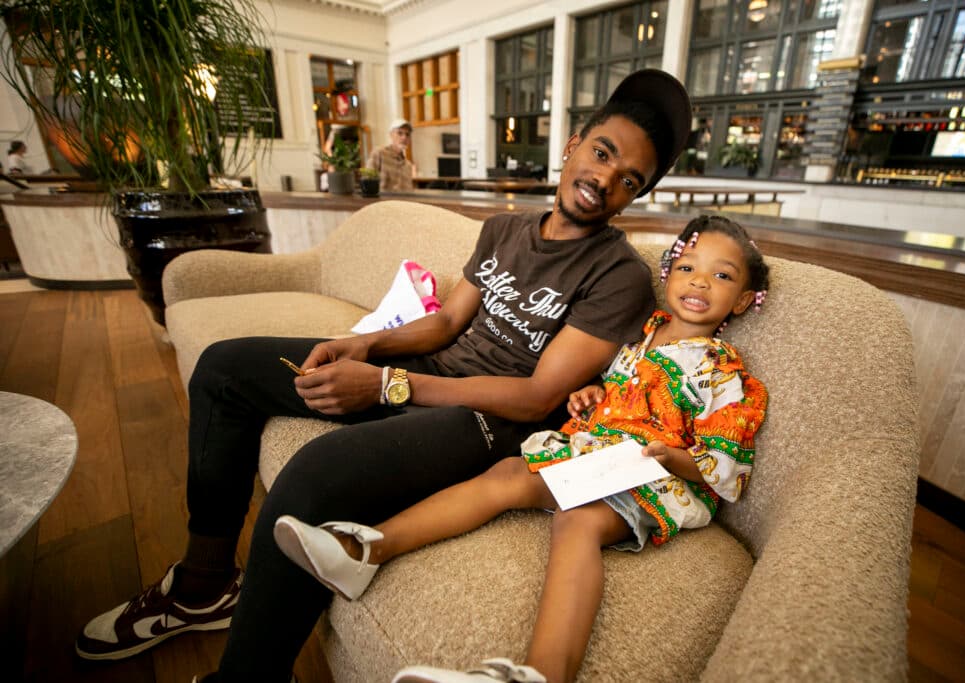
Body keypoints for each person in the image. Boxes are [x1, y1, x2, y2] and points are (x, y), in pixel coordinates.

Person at [74, 68, 691, 681]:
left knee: (313, 477)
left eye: (628, 179)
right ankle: (204, 584)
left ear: (633, 195)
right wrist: (364, 346)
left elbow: (536, 398)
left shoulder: (619, 276)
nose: (605, 179)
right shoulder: (504, 229)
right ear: (572, 146)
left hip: (483, 422)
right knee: (223, 369)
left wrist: (392, 386)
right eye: (602, 152)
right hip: (428, 369)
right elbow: (448, 322)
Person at [273, 214, 769, 683]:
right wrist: (590, 396)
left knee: (578, 520)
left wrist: (669, 456)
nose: (699, 282)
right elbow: (613, 394)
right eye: (687, 267)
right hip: (599, 455)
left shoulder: (723, 373)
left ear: (744, 300)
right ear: (670, 275)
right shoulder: (641, 337)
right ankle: (365, 550)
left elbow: (725, 469)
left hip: (657, 478)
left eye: (721, 276)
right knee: (509, 472)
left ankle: (544, 671)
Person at [368, 118, 417, 191]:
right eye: (400, 133)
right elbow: (368, 179)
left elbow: (408, 190)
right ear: (391, 135)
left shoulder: (408, 165)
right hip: (383, 201)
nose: (404, 137)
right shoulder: (379, 153)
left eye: (407, 134)